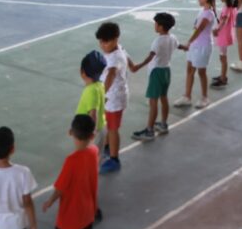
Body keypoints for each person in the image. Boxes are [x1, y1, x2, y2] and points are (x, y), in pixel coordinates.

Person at [128, 12, 185, 141]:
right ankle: (163, 124)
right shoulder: (172, 38)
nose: (154, 25)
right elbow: (179, 46)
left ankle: (149, 131)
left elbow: (151, 56)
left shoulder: (158, 41)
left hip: (156, 72)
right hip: (166, 71)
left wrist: (138, 66)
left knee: (153, 101)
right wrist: (186, 47)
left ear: (161, 26)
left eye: (156, 24)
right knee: (164, 97)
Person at [41, 114, 98, 229]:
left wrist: (50, 201)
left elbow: (60, 188)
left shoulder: (71, 161)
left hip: (69, 221)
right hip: (87, 215)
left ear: (70, 132)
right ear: (92, 136)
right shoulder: (94, 152)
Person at [174, 0, 217, 109]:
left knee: (201, 72)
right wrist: (191, 43)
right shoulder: (202, 10)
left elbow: (199, 30)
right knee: (190, 70)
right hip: (195, 45)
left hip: (203, 46)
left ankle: (205, 98)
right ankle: (187, 97)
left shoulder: (209, 13)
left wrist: (188, 42)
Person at [95, 22, 129, 173]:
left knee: (113, 129)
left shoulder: (116, 58)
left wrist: (101, 94)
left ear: (116, 39)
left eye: (106, 42)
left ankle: (114, 159)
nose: (103, 45)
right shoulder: (117, 50)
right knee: (108, 125)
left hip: (115, 98)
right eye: (101, 42)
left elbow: (111, 74)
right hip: (111, 97)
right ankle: (108, 148)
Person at [75, 51, 107, 166]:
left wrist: (90, 134)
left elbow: (93, 114)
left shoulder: (90, 91)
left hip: (92, 132)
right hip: (101, 128)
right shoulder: (100, 85)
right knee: (95, 160)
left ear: (82, 72)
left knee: (88, 162)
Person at [211, 0, 238, 89]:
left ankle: (223, 78)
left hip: (224, 35)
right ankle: (222, 75)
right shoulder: (232, 7)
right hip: (227, 33)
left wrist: (217, 29)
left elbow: (224, 21)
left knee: (223, 57)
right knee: (222, 57)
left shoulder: (227, 8)